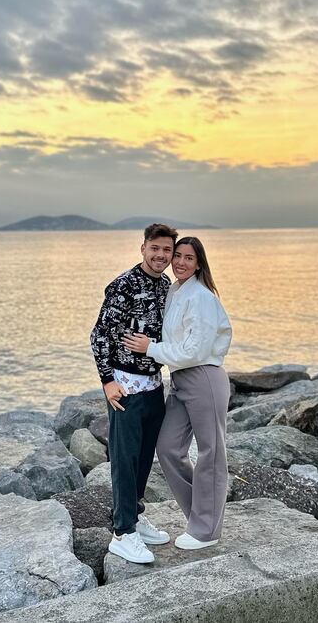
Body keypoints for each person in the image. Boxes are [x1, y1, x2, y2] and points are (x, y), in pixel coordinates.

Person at [123, 236, 232, 550]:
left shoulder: (201, 296)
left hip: (204, 378)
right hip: (181, 380)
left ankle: (206, 531)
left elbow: (195, 349)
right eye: (178, 256)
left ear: (199, 263)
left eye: (189, 258)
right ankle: (200, 515)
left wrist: (150, 348)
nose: (181, 262)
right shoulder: (174, 291)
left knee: (211, 453)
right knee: (168, 447)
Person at [90, 223, 178, 564]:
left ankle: (135, 517)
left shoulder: (165, 285)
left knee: (143, 459)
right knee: (124, 461)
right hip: (125, 387)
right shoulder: (122, 286)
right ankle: (122, 533)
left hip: (154, 385)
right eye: (154, 248)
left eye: (166, 250)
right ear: (143, 248)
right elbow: (99, 336)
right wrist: (107, 381)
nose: (160, 255)